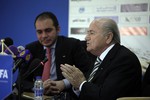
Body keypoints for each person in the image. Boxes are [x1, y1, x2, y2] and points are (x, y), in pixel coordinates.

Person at [60, 18, 142, 100]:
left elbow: (106, 96)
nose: (86, 38)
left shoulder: (124, 60)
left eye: (91, 33)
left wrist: (81, 83)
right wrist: (78, 87)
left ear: (108, 37)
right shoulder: (98, 58)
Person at [19, 11, 93, 99]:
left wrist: (64, 83)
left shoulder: (72, 45)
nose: (44, 36)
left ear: (58, 29)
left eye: (48, 30)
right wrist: (39, 86)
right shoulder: (31, 49)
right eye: (39, 32)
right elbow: (21, 80)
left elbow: (88, 71)